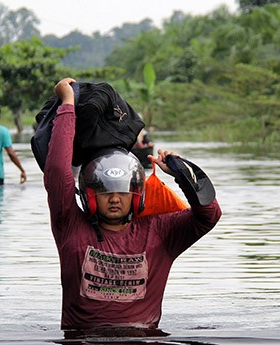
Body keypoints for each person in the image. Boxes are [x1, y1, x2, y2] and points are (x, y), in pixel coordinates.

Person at [43, 77, 222, 330]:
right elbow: (57, 174)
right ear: (88, 194)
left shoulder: (160, 233)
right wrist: (67, 105)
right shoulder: (70, 227)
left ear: (137, 194)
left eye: (123, 191)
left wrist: (181, 173)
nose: (115, 198)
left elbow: (209, 215)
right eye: (105, 191)